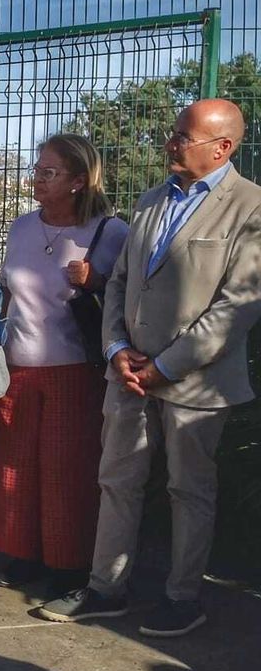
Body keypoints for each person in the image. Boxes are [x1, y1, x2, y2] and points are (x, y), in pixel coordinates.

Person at [41, 99, 261, 637]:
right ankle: (105, 588)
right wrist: (117, 347)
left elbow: (237, 306)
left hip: (195, 381)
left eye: (183, 136)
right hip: (130, 374)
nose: (170, 143)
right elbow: (118, 282)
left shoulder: (250, 208)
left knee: (189, 490)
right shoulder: (152, 200)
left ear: (222, 147)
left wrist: (165, 365)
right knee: (117, 480)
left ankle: (183, 598)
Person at [0, 135, 127, 596]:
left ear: (78, 181)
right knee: (15, 466)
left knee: (67, 469)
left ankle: (69, 565)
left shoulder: (111, 232)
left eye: (49, 172)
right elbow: (10, 293)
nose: (37, 179)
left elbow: (129, 299)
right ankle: (22, 554)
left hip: (74, 369)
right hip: (18, 367)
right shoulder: (22, 228)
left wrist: (96, 280)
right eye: (37, 169)